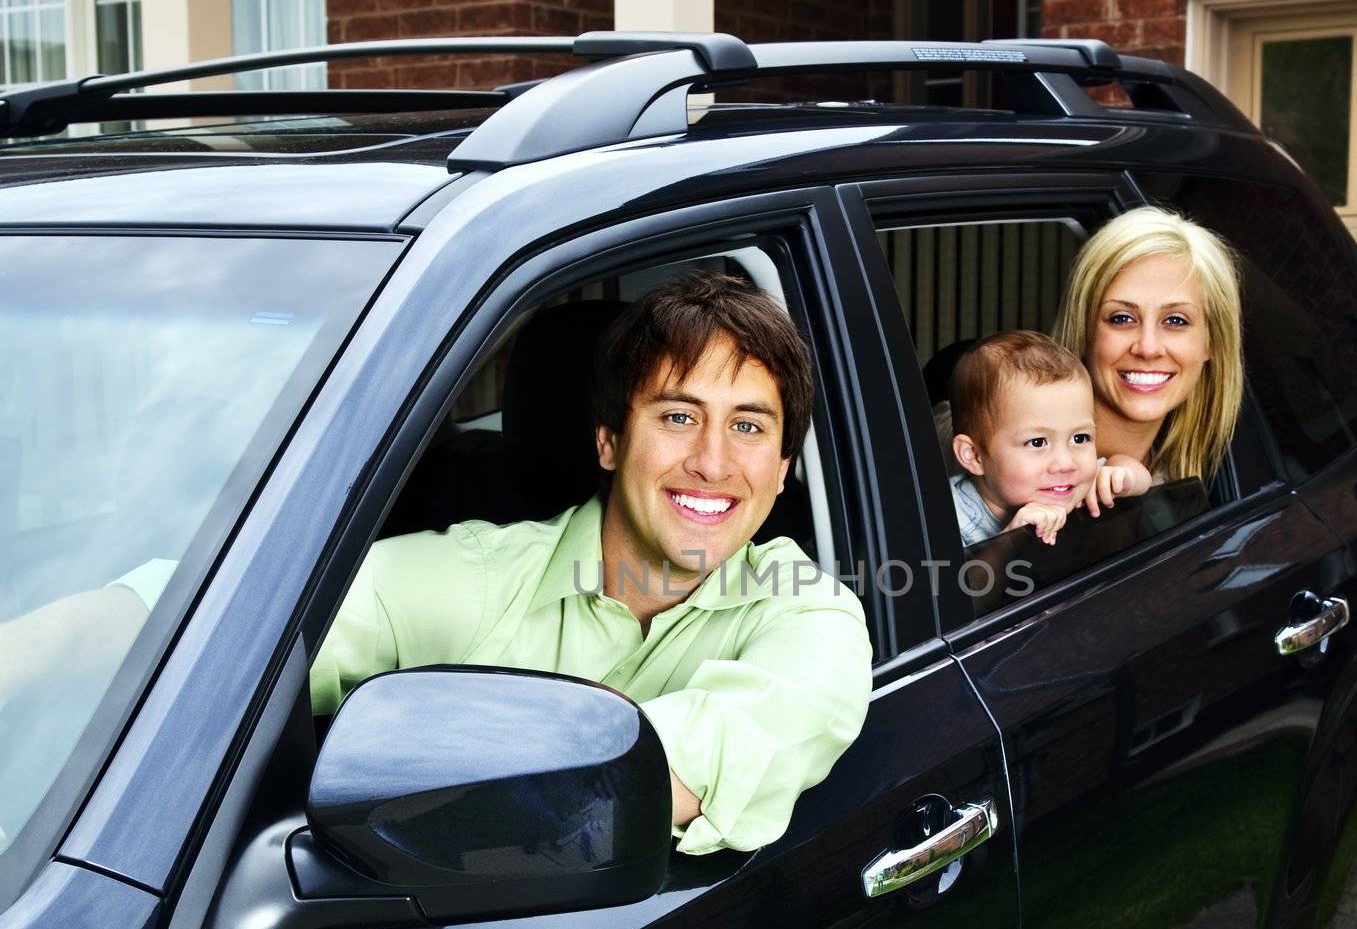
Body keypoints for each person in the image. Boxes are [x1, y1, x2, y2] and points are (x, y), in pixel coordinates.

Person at [0, 272, 873, 857]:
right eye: (678, 417)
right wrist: (24, 654)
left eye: (750, 426)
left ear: (783, 471)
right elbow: (217, 616)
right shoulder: (479, 575)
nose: (715, 461)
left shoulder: (810, 618)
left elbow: (652, 778)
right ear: (610, 441)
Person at [1053, 208, 1244, 487]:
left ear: (1212, 341)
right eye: (1122, 318)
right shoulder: (1023, 477)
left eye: (1176, 320)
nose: (1148, 347)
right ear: (1083, 331)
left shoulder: (1174, 481)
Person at [946, 330, 1149, 548]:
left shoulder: (1073, 485)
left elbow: (1142, 478)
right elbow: (964, 581)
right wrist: (1011, 540)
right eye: (1037, 442)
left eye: (1080, 438)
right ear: (974, 456)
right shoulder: (947, 516)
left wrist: (1121, 476)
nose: (1066, 463)